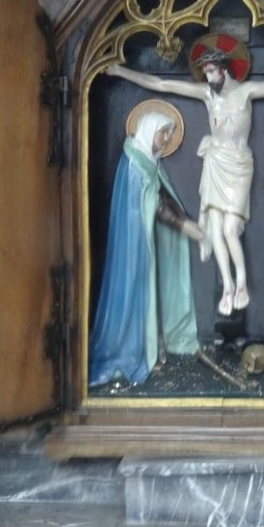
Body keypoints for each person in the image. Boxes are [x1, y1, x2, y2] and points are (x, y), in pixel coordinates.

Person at [107, 34, 264, 316]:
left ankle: (241, 282)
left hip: (238, 165)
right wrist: (120, 71)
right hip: (216, 161)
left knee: (230, 229)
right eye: (204, 73)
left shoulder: (247, 91)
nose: (207, 78)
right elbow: (161, 84)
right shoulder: (207, 94)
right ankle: (228, 286)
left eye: (211, 71)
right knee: (215, 229)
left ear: (224, 69)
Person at [88, 107, 203, 387]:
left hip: (145, 242)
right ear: (149, 130)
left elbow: (162, 197)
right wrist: (184, 226)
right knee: (136, 295)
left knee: (154, 294)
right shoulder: (134, 164)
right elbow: (153, 205)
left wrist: (184, 221)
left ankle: (156, 345)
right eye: (163, 133)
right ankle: (132, 351)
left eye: (169, 134)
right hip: (134, 246)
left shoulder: (149, 162)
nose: (165, 139)